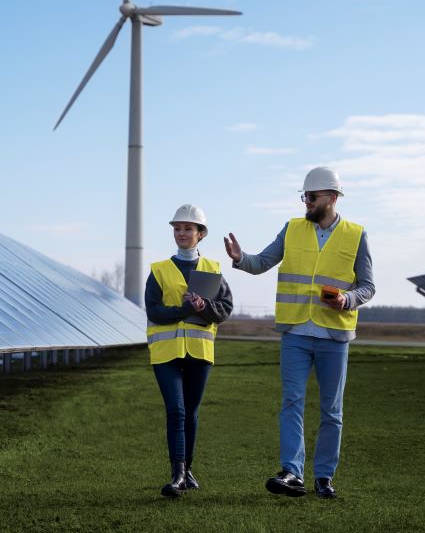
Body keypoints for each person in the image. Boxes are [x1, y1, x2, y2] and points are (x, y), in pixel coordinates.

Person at [223, 167, 374, 500]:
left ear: (331, 198)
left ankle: (324, 477)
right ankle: (292, 473)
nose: (306, 201)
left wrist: (348, 299)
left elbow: (368, 286)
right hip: (295, 334)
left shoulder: (356, 234)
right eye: (304, 196)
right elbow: (262, 261)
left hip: (334, 337)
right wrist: (240, 258)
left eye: (312, 196)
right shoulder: (291, 229)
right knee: (291, 402)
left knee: (332, 411)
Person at [145, 203, 233, 498]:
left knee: (191, 413)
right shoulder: (158, 271)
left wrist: (204, 307)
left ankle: (188, 470)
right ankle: (178, 473)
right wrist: (186, 308)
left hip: (199, 351)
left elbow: (225, 309)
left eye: (188, 228)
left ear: (201, 234)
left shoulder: (214, 270)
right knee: (177, 410)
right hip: (165, 353)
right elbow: (154, 311)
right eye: (177, 228)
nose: (181, 233)